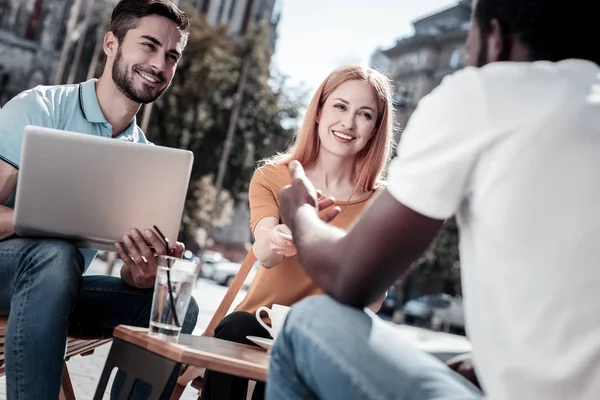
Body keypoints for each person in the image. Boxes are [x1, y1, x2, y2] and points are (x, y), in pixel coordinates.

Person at [268, 0, 600, 399]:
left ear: (495, 39)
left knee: (309, 321)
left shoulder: (488, 93)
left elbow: (348, 279)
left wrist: (300, 213)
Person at [0, 1, 198, 399]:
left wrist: (142, 275)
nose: (159, 63)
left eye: (171, 55)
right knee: (56, 253)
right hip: (8, 274)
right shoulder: (39, 108)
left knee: (174, 302)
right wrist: (45, 223)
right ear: (111, 43)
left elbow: (125, 266)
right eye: (149, 46)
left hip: (61, 287)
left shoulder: (145, 159)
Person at [200, 65, 395, 400]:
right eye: (340, 106)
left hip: (325, 339)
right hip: (257, 325)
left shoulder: (384, 203)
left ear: (376, 128)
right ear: (319, 111)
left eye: (364, 114)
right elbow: (265, 252)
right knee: (235, 328)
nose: (348, 123)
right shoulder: (273, 177)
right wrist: (290, 232)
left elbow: (375, 301)